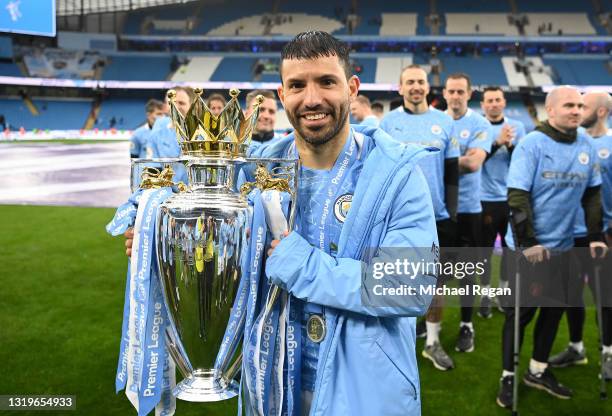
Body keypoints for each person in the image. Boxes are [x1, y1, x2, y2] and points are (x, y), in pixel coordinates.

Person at [127, 30, 439, 415]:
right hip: (273, 388)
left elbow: (408, 286)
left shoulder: (398, 175)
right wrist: (158, 240)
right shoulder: (256, 171)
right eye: (297, 85)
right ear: (281, 94)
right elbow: (220, 247)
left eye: (327, 82)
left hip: (364, 393)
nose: (312, 99)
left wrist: (304, 265)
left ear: (352, 88)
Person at [496, 86, 606, 408]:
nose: (576, 110)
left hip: (565, 246)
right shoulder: (532, 145)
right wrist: (528, 243)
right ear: (551, 110)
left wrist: (596, 235)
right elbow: (517, 197)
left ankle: (538, 370)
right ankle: (507, 375)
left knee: (553, 312)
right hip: (529, 248)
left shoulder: (587, 144)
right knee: (521, 315)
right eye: (569, 105)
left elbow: (592, 194)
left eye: (580, 105)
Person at [380, 64, 459, 371]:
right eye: (410, 81)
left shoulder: (444, 122)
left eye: (421, 82)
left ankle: (432, 342)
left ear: (428, 87)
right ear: (400, 88)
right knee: (400, 281)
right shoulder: (388, 123)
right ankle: (401, 339)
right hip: (399, 217)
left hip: (438, 217)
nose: (416, 86)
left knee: (437, 284)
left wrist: (452, 214)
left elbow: (452, 172)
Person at [548, 91, 612, 378]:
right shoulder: (569, 142)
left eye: (583, 106)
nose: (577, 110)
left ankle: (608, 353)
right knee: (570, 294)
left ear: (600, 112)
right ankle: (576, 348)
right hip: (567, 233)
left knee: (604, 295)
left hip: (602, 233)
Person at [444, 73, 493, 353]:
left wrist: (441, 161)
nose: (456, 96)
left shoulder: (479, 123)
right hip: (441, 209)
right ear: (446, 93)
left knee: (467, 272)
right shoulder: (437, 121)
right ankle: (430, 325)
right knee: (433, 271)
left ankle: (466, 325)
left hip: (469, 208)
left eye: (461, 91)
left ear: (469, 93)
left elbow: (474, 163)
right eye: (451, 91)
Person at [479, 87, 526, 318]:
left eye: (498, 100)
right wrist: (497, 143)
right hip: (484, 199)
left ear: (504, 102)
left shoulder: (518, 128)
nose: (494, 104)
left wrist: (510, 146)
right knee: (485, 251)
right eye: (490, 100)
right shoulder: (479, 127)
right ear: (483, 104)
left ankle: (504, 293)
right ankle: (485, 295)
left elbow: (525, 162)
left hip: (510, 199)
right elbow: (476, 162)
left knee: (509, 251)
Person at [145, 86, 195, 160]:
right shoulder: (159, 125)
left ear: (191, 105)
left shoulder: (200, 130)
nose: (176, 107)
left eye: (181, 103)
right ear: (166, 106)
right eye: (172, 102)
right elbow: (153, 163)